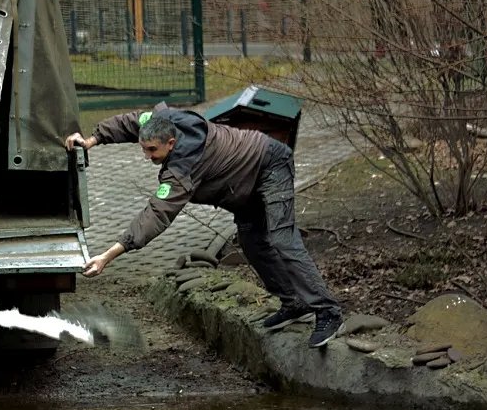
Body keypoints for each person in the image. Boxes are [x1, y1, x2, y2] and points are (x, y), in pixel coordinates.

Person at [64, 105, 344, 348]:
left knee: (283, 240)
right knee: (251, 242)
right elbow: (131, 121)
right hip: (243, 183)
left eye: (152, 150)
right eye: (143, 148)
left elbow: (155, 215)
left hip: (270, 166)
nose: (146, 157)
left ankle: (328, 311)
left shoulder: (185, 169)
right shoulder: (160, 119)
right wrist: (92, 140)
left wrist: (108, 256)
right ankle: (294, 303)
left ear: (171, 143)